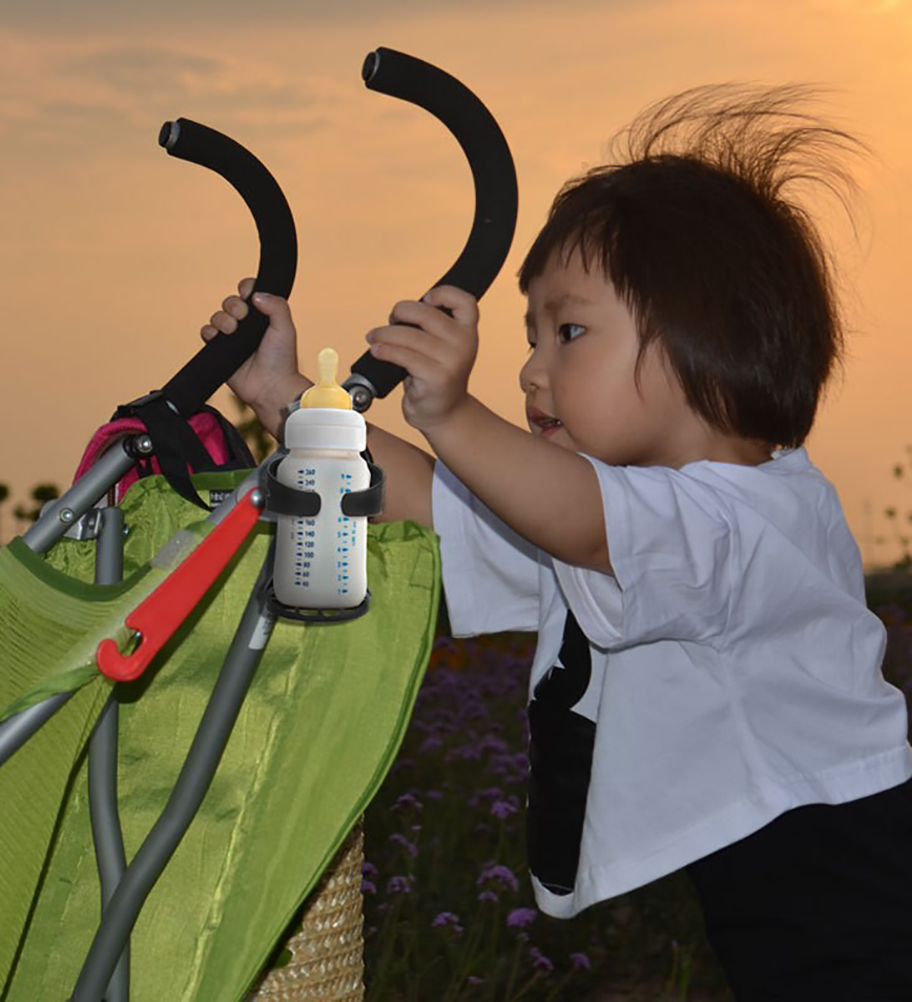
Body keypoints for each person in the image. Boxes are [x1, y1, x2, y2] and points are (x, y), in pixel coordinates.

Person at [200, 86, 912, 999]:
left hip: (861, 890)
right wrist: (282, 393)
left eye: (569, 332)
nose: (532, 371)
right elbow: (430, 504)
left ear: (709, 344)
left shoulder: (745, 523)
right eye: (532, 337)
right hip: (785, 909)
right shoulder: (606, 521)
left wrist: (453, 413)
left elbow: (578, 513)